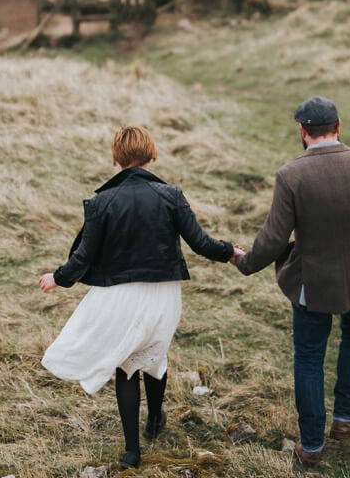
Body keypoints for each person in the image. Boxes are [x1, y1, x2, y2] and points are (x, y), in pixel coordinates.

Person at [39, 125, 244, 470]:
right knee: (155, 354)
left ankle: (132, 451)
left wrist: (56, 279)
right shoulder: (171, 195)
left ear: (117, 158)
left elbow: (83, 257)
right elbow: (200, 242)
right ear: (151, 155)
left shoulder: (102, 201)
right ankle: (154, 419)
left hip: (120, 295)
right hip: (164, 293)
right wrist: (231, 252)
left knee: (127, 365)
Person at [233, 96, 350, 466]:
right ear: (339, 127)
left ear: (302, 131)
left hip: (312, 286)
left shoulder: (291, 175)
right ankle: (346, 420)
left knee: (310, 357)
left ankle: (311, 445)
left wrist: (244, 262)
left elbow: (273, 239)